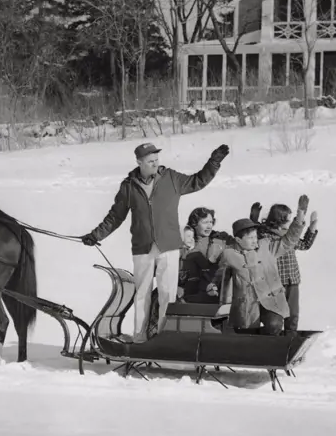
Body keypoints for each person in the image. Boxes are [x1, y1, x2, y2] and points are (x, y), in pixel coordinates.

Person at [81, 141, 230, 342]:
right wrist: (96, 235)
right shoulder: (129, 186)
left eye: (156, 159)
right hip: (143, 247)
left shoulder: (171, 178)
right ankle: (140, 338)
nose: (155, 163)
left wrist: (214, 162)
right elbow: (115, 216)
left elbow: (198, 181)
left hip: (168, 246)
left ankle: (163, 339)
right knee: (141, 294)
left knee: (167, 295)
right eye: (150, 161)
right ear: (139, 162)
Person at [220, 195, 309, 336]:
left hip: (270, 301)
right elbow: (220, 277)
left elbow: (288, 241)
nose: (255, 241)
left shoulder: (265, 247)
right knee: (244, 332)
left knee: (274, 325)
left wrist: (299, 219)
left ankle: (274, 345)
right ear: (238, 240)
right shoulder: (229, 255)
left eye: (255, 237)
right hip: (247, 304)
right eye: (250, 238)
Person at [249, 201, 319, 333]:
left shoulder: (290, 236)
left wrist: (312, 227)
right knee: (276, 315)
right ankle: (272, 337)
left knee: (293, 314)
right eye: (288, 219)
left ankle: (290, 340)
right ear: (279, 221)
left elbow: (305, 245)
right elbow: (253, 233)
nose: (291, 222)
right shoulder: (266, 235)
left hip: (292, 280)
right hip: (274, 282)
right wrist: (253, 218)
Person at [180, 207, 234, 303]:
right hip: (191, 289)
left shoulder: (221, 240)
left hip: (215, 287)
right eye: (205, 222)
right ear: (194, 224)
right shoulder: (185, 243)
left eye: (211, 222)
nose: (209, 226)